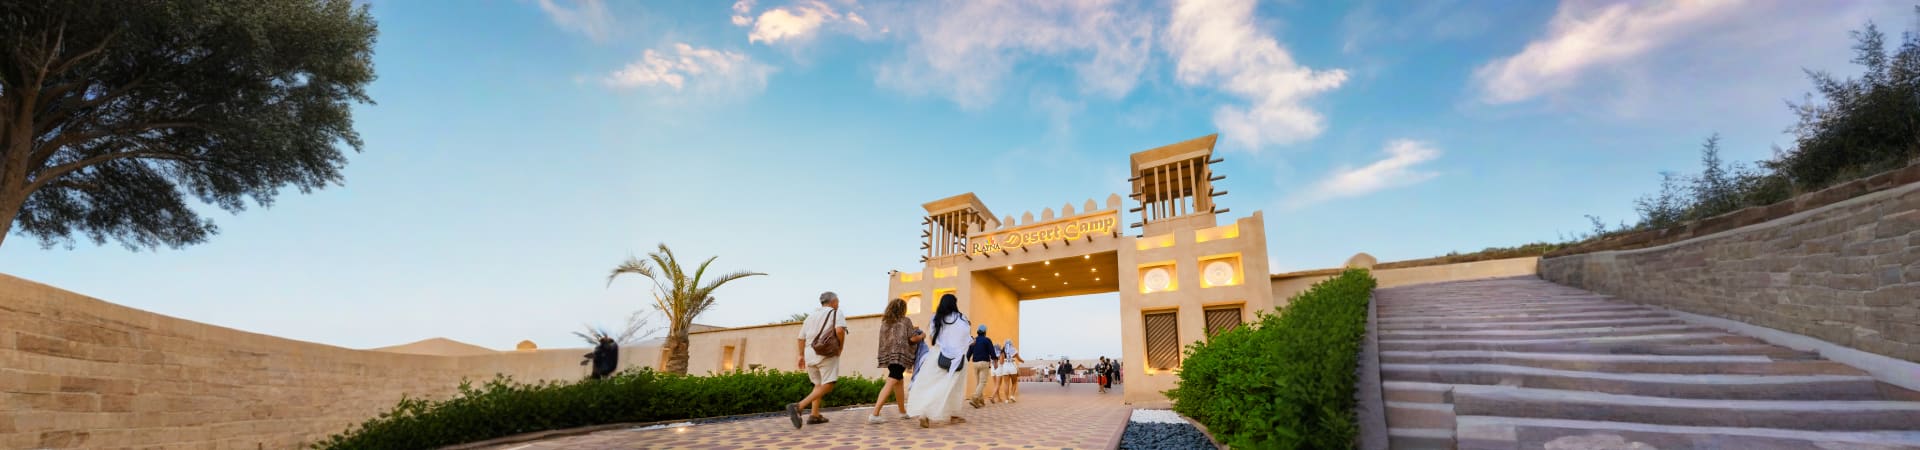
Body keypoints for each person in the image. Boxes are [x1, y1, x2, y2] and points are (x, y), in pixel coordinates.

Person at [907, 294, 971, 428]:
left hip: (937, 355)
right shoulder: (961, 318)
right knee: (954, 387)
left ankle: (924, 413)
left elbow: (932, 338)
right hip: (957, 358)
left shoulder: (936, 318)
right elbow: (965, 337)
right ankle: (953, 415)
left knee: (932, 385)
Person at [787, 291, 848, 429]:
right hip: (825, 351)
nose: (838, 304)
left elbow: (800, 338)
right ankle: (798, 406)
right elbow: (839, 331)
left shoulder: (811, 316)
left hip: (810, 353)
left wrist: (801, 355)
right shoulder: (835, 312)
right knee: (829, 383)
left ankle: (814, 415)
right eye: (837, 301)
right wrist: (840, 348)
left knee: (818, 384)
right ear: (833, 302)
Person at [869, 298, 922, 424]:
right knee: (892, 381)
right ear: (902, 309)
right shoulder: (905, 321)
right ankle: (875, 414)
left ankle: (902, 412)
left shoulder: (885, 322)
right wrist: (922, 336)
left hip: (889, 356)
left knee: (898, 382)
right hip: (900, 356)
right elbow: (913, 338)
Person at [966, 324, 996, 408]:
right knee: (982, 382)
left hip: (975, 364)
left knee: (979, 382)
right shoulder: (987, 340)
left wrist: (966, 360)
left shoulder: (974, 340)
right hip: (984, 363)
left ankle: (980, 400)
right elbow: (992, 352)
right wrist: (995, 361)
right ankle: (975, 398)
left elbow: (969, 354)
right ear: (985, 332)